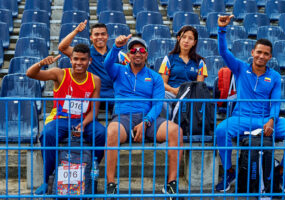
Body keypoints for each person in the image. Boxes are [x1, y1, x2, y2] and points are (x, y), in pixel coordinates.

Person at [215, 15, 285, 194]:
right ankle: (229, 172)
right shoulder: (240, 68)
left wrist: (271, 119)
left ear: (270, 57)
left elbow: (275, 102)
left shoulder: (275, 77)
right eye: (259, 52)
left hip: (265, 120)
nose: (261, 56)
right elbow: (224, 52)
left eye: (266, 54)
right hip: (242, 118)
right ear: (252, 52)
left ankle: (283, 172)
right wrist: (222, 30)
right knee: (221, 130)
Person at [103, 35, 183, 197]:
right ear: (129, 54)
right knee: (111, 132)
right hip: (124, 117)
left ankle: (171, 185)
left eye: (141, 50)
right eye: (133, 50)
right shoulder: (118, 70)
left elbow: (157, 104)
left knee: (176, 131)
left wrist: (146, 121)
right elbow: (106, 64)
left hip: (149, 118)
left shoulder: (155, 77)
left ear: (146, 54)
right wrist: (116, 47)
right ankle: (110, 184)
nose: (137, 53)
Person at [26, 44, 106, 195]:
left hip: (84, 119)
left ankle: (93, 167)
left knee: (101, 132)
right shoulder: (60, 74)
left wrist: (84, 124)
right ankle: (46, 179)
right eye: (75, 59)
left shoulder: (95, 80)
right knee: (48, 133)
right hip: (62, 119)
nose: (79, 63)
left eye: (83, 59)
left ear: (89, 61)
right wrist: (41, 64)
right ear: (70, 59)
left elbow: (94, 111)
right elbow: (30, 74)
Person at [58, 20, 129, 109]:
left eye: (103, 34)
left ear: (107, 36)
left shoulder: (117, 54)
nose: (100, 37)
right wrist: (76, 31)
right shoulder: (84, 53)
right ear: (91, 37)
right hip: (91, 96)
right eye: (96, 34)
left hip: (113, 96)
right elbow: (62, 47)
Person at [158, 25, 208, 117]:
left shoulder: (200, 62)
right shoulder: (168, 59)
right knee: (160, 95)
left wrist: (187, 93)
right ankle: (173, 120)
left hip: (190, 97)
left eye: (190, 38)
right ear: (178, 39)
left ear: (194, 42)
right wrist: (173, 90)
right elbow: (162, 83)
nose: (186, 41)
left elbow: (199, 86)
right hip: (172, 95)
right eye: (183, 37)